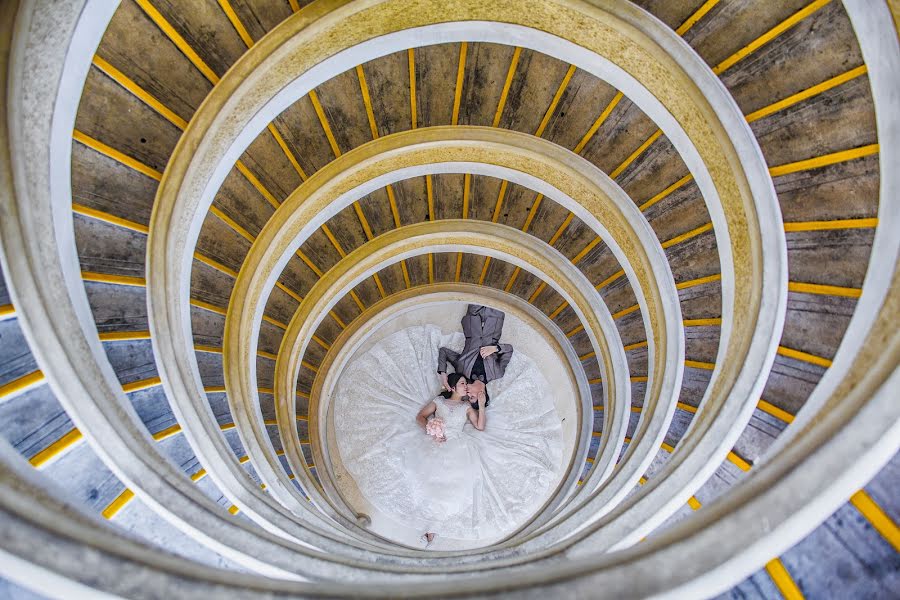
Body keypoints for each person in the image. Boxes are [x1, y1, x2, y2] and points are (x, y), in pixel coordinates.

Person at [333, 324, 562, 549]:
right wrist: (431, 426)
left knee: (450, 487)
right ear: (453, 387)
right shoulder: (439, 402)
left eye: (465, 384)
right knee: (425, 481)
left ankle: (433, 527)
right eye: (463, 383)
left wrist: (481, 405)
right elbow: (420, 417)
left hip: (458, 446)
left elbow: (480, 427)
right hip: (435, 441)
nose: (466, 386)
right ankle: (429, 525)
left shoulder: (466, 408)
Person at [437, 304, 513, 407]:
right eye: (471, 397)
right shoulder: (497, 373)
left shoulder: (461, 371)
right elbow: (509, 350)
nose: (467, 394)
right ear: (482, 394)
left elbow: (443, 351)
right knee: (500, 293)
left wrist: (443, 374)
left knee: (478, 290)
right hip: (494, 320)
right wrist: (495, 348)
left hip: (473, 318)